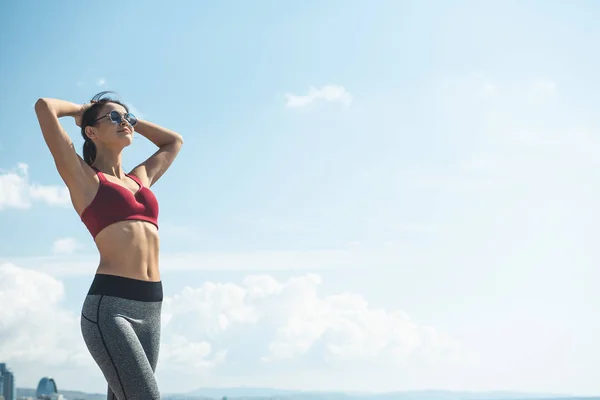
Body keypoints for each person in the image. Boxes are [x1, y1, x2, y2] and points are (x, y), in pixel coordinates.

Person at [34, 91, 183, 400]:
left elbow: (173, 142)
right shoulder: (85, 179)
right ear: (91, 132)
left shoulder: (140, 178)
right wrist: (83, 110)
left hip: (151, 306)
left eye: (126, 116)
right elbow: (44, 107)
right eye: (114, 118)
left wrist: (132, 121)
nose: (124, 122)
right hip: (110, 308)